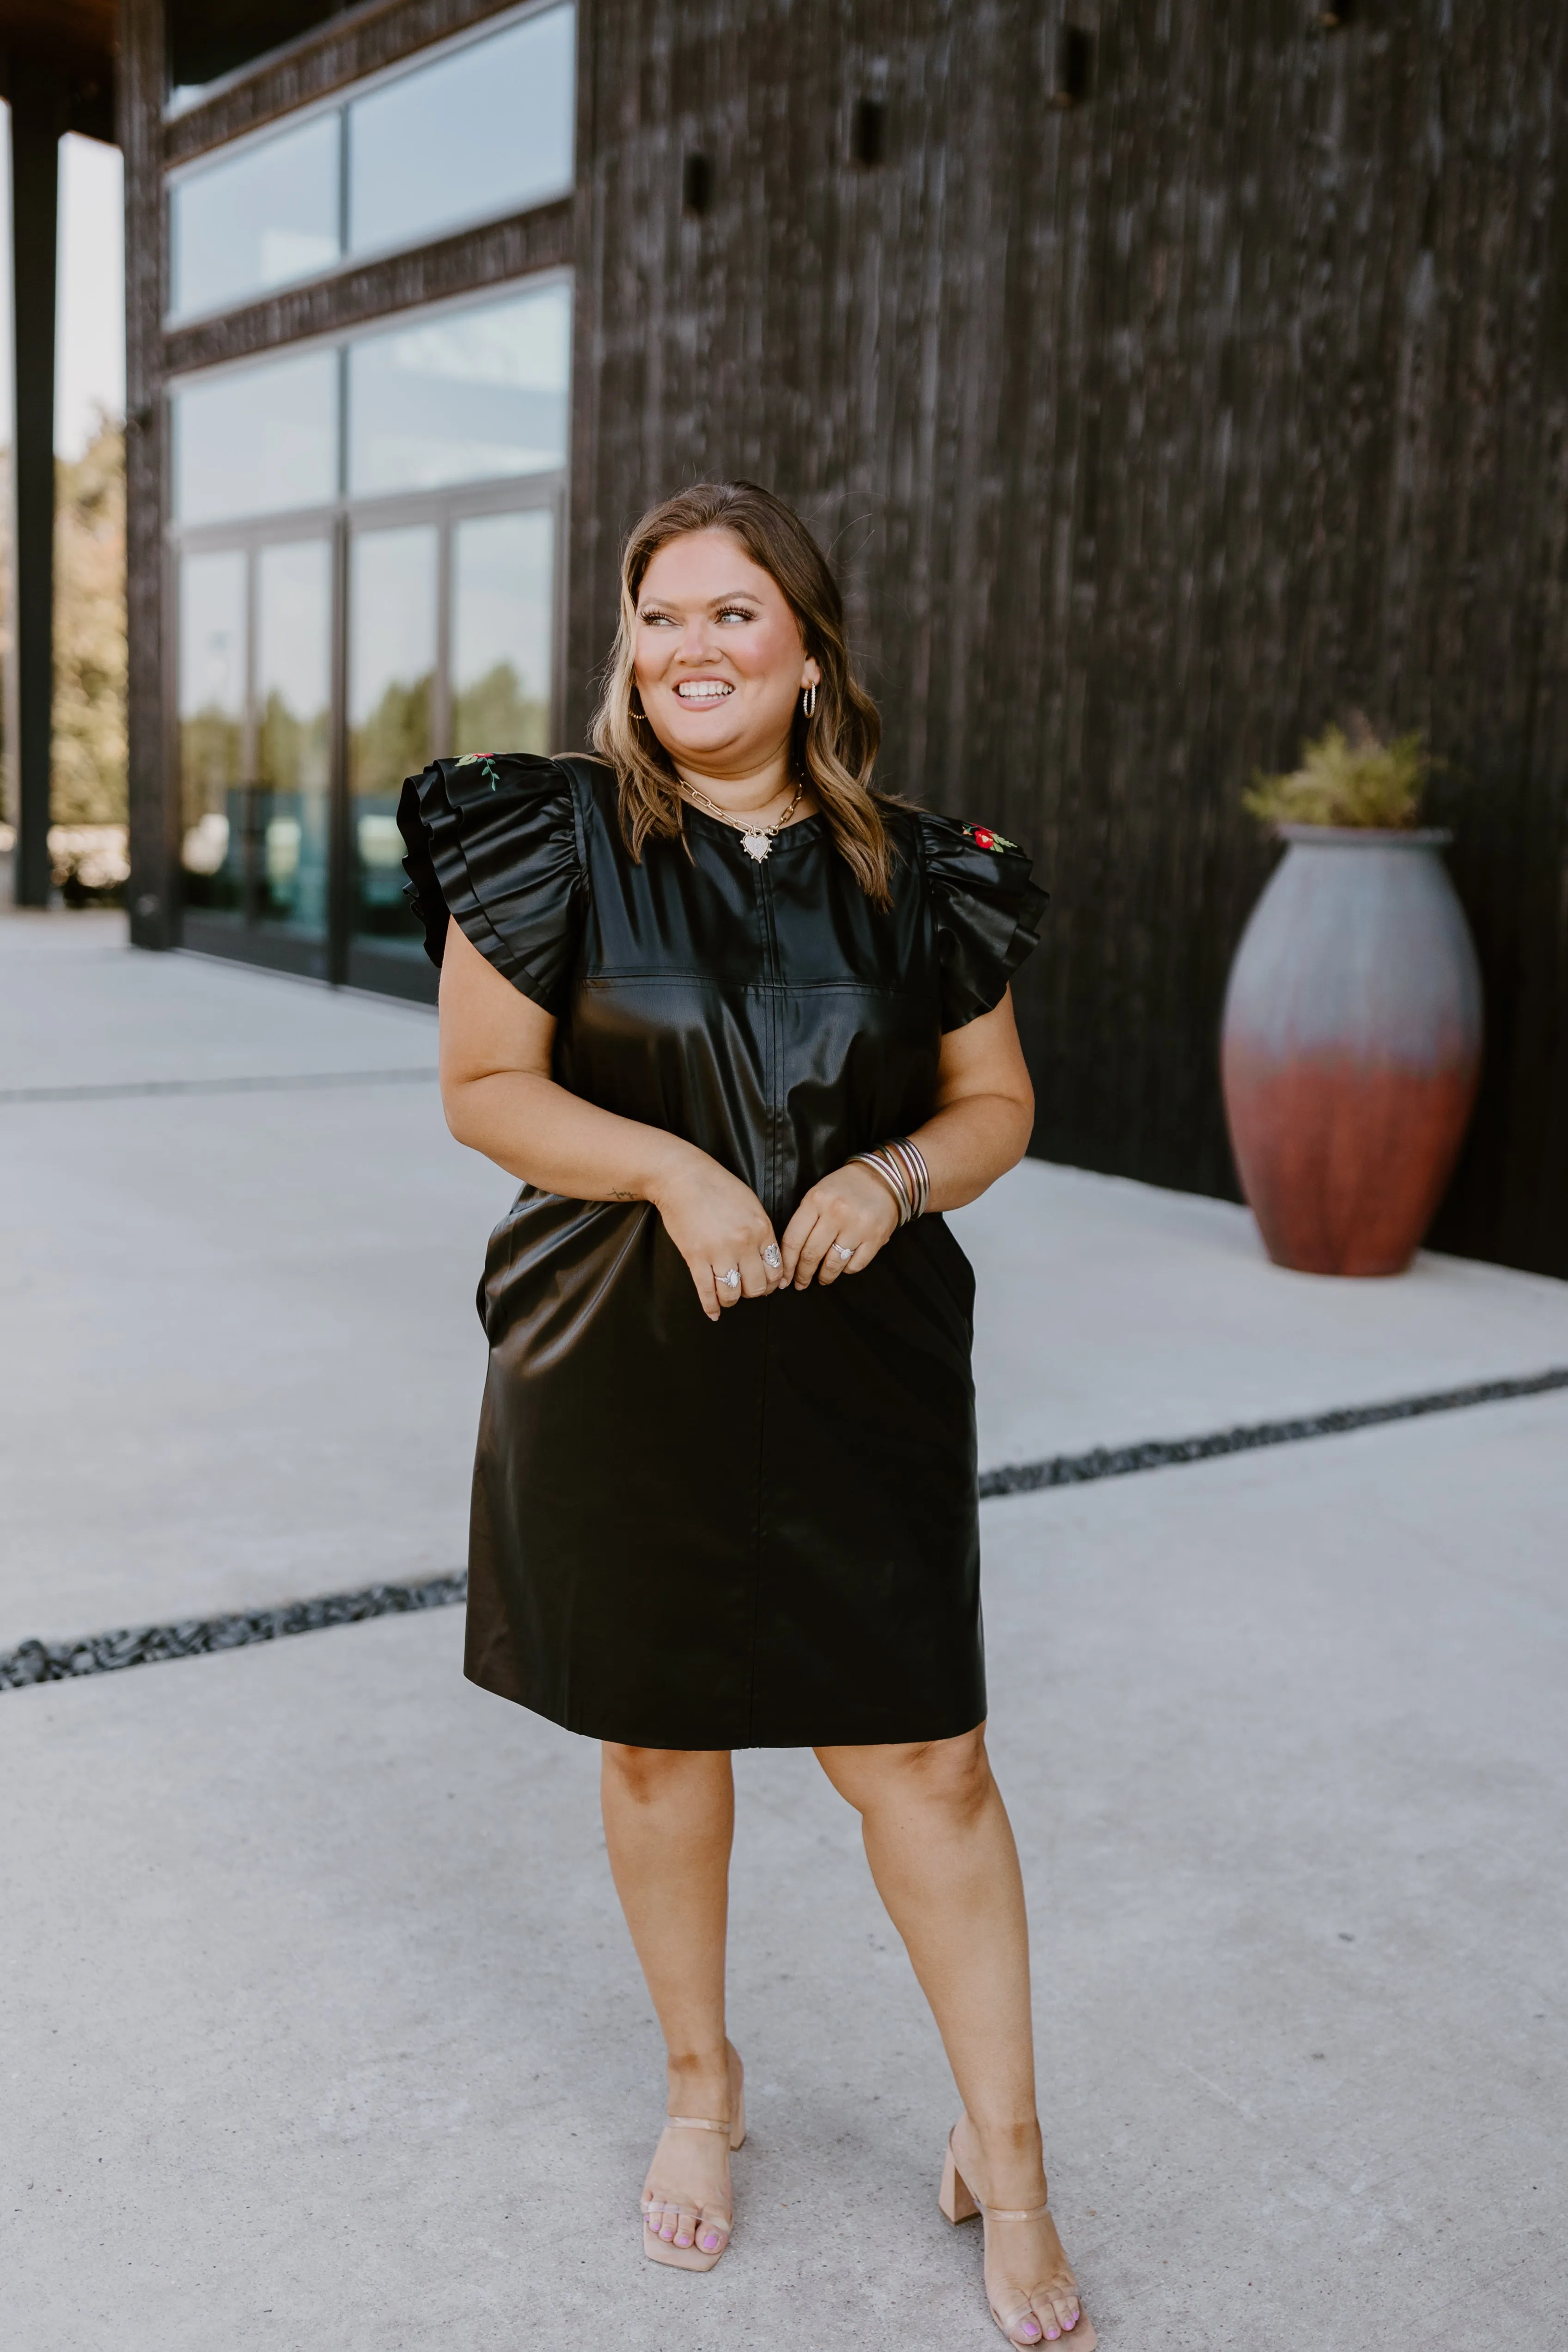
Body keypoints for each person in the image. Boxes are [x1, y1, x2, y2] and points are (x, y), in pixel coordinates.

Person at [397, 481, 1093, 2347]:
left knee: (924, 1763)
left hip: (856, 1374)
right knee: (655, 1748)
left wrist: (893, 1179)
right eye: (657, 615)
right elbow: (484, 1085)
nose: (687, 650)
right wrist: (674, 1176)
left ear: (806, 652)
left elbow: (994, 1104)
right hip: (622, 1360)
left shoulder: (921, 869)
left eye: (730, 617)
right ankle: (701, 2094)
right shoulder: (545, 839)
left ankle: (1004, 2156)